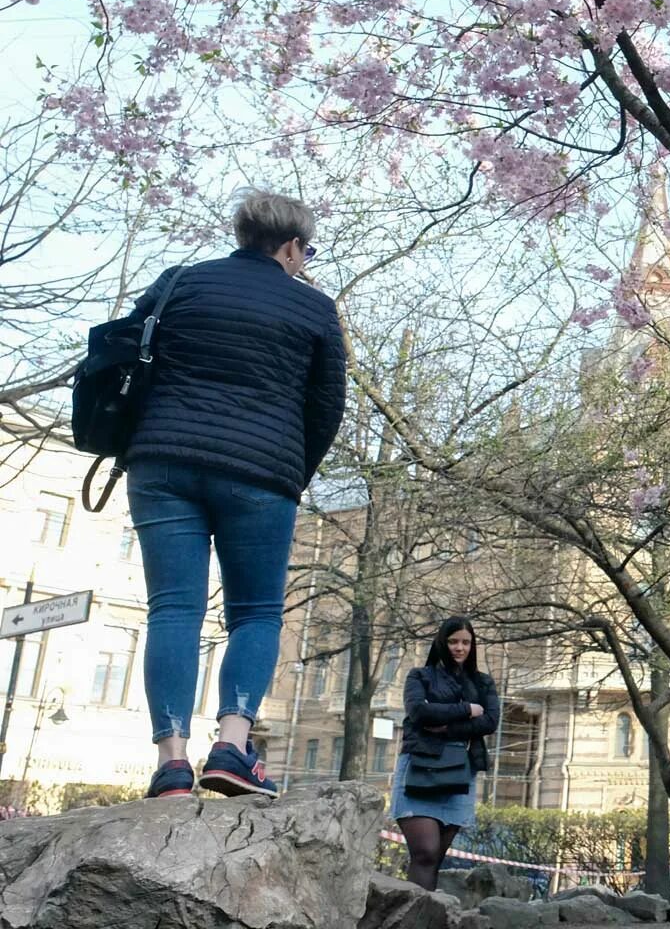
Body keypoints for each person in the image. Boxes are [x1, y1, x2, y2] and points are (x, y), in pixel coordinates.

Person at [130, 189, 346, 800]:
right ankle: (231, 745)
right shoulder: (314, 310)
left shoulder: (178, 284)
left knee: (173, 609)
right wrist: (288, 475)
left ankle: (172, 763)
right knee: (254, 613)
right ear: (291, 246)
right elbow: (326, 407)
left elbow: (129, 356)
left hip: (163, 462)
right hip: (259, 474)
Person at [394, 617, 501, 893]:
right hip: (420, 767)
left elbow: (490, 721)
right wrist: (466, 710)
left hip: (460, 772)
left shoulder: (483, 682)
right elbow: (418, 712)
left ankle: (417, 915)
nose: (459, 648)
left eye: (466, 642)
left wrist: (443, 724)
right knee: (425, 853)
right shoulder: (420, 676)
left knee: (434, 859)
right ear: (442, 642)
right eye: (453, 641)